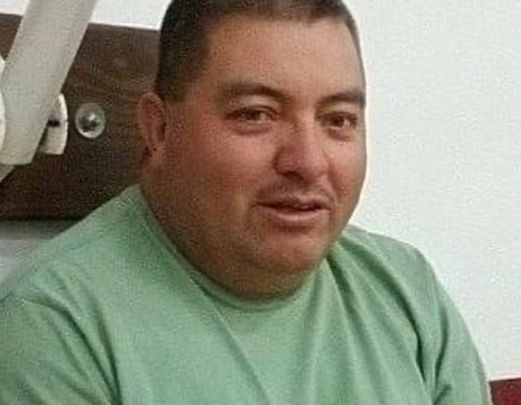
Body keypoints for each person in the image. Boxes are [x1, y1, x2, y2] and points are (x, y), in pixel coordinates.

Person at [0, 1, 493, 403]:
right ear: (160, 129)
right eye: (256, 114)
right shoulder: (55, 327)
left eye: (338, 120)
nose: (308, 161)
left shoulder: (406, 294)